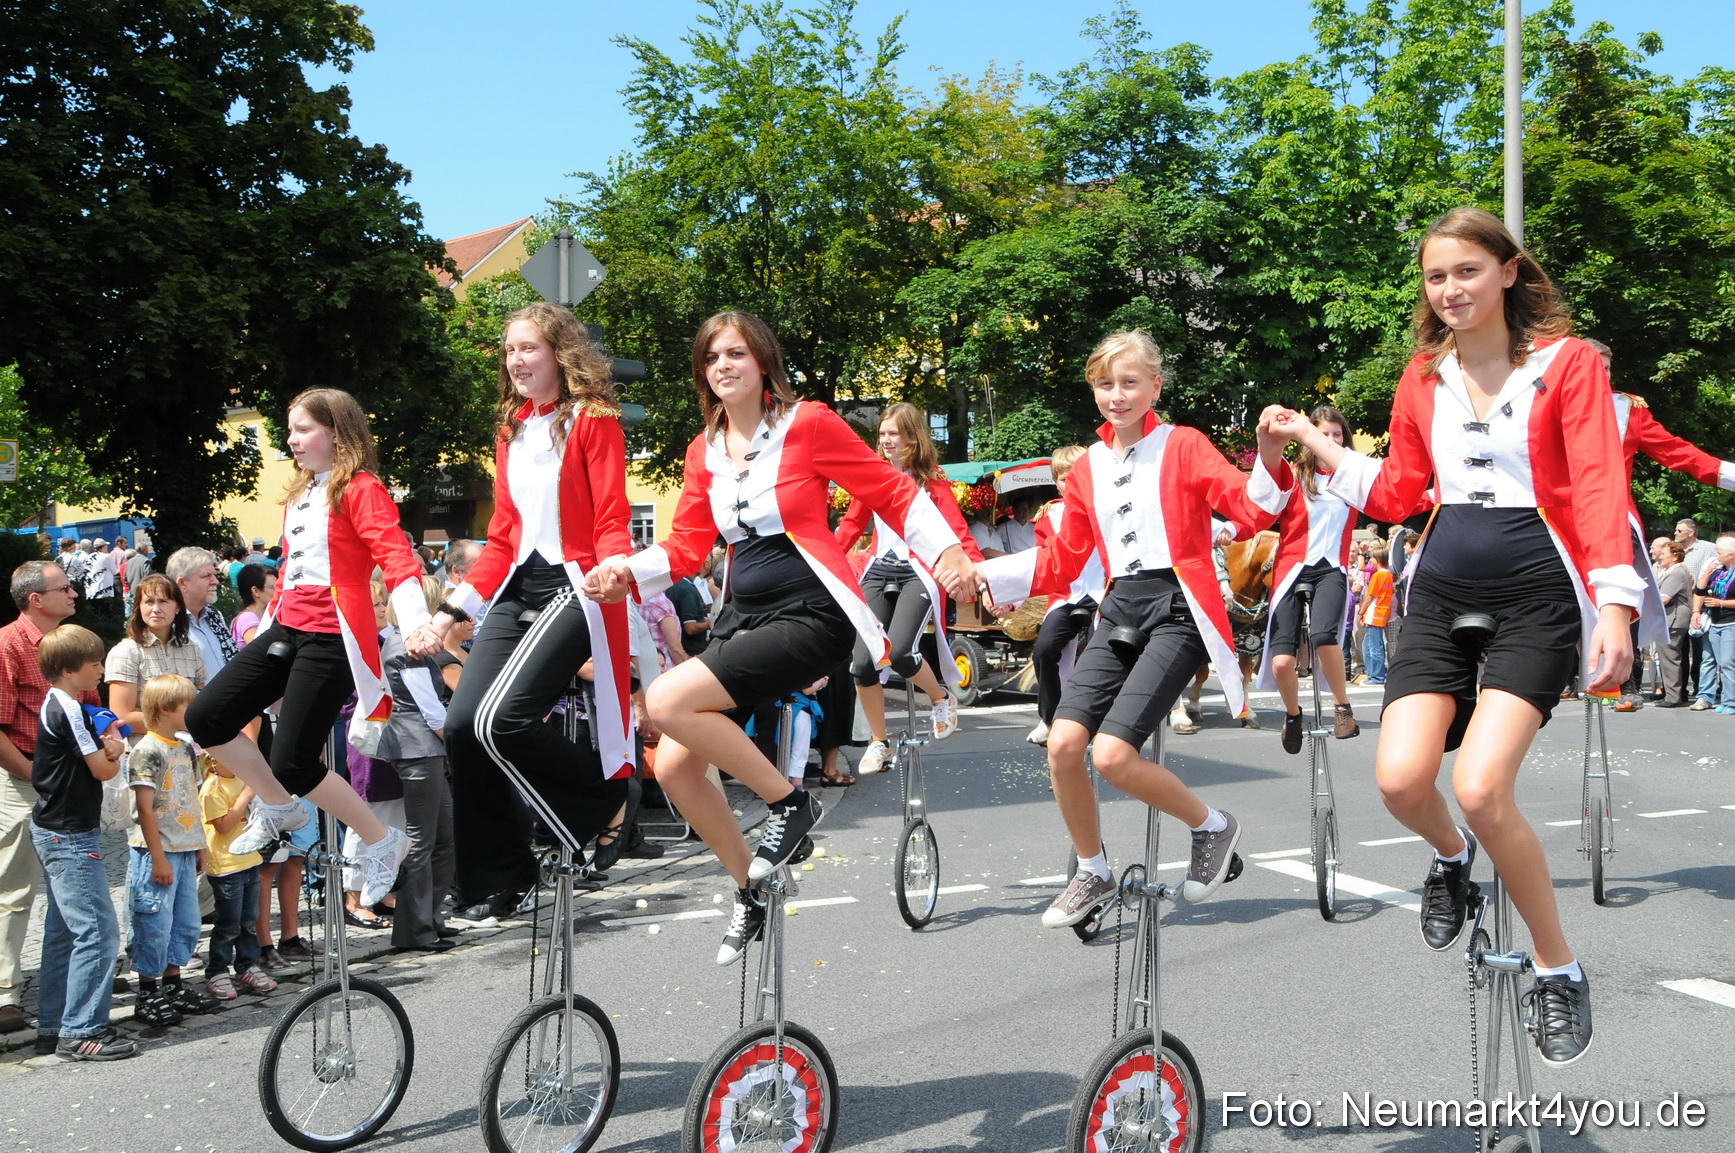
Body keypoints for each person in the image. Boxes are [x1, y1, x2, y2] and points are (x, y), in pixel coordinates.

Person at [1271, 206, 1639, 1067]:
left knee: (1477, 785)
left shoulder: (1566, 364)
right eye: (1435, 277)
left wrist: (1615, 605)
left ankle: (1559, 967)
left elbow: (1596, 483)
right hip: (1438, 593)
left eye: (1466, 271)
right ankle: (1449, 856)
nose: (1449, 290)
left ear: (1507, 272)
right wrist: (1311, 442)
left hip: (1536, 595)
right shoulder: (1421, 374)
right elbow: (1399, 492)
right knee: (1400, 780)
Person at [586, 310, 981, 966]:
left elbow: (892, 493)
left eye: (736, 353)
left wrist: (950, 552)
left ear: (764, 361)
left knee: (665, 701)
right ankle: (751, 887)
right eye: (712, 357)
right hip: (741, 615)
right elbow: (686, 546)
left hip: (811, 610)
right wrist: (628, 571)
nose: (723, 366)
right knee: (677, 767)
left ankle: (792, 804)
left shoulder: (809, 423)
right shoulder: (703, 449)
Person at [976, 329, 1294, 930]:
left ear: (1155, 386)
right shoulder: (1087, 466)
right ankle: (1092, 870)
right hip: (1120, 605)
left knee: (1112, 755)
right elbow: (1065, 557)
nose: (1116, 395)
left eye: (1129, 382)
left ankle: (1212, 826)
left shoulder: (1183, 444)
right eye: (1105, 384)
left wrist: (1268, 453)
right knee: (1063, 745)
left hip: (1178, 607)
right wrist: (987, 574)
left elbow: (1250, 509)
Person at [408, 302, 636, 924]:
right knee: (463, 726)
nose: (516, 360)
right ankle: (502, 873)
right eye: (510, 350)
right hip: (516, 584)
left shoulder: (594, 418)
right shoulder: (511, 428)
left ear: (560, 353)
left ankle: (606, 798)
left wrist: (616, 566)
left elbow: (612, 513)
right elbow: (503, 535)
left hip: (577, 583)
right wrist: (448, 614)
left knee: (502, 721)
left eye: (528, 348)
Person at [184, 388, 424, 910]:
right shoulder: (302, 491)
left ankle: (381, 841)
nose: (291, 440)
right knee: (206, 717)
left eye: (303, 429)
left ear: (336, 431)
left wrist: (418, 623)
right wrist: (266, 628)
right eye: (289, 430)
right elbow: (291, 571)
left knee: (294, 761)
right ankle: (278, 805)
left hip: (333, 638)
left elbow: (397, 558)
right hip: (287, 629)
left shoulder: (361, 489)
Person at [833, 402, 981, 774]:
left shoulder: (932, 481)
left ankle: (941, 698)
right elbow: (851, 526)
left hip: (918, 570)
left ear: (911, 437)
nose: (886, 440)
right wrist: (824, 561)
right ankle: (878, 741)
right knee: (862, 661)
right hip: (879, 568)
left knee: (899, 652)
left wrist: (980, 574)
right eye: (882, 434)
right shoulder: (873, 477)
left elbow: (958, 532)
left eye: (893, 433)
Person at [28, 624, 134, 1060]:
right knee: (98, 932)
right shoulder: (69, 709)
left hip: (54, 827)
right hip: (70, 834)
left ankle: (53, 1025)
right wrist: (116, 751)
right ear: (70, 670)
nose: (101, 671)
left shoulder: (57, 702)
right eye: (94, 664)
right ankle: (82, 1030)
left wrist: (106, 748)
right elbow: (103, 769)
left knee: (62, 933)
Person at [0, 561, 88, 1036]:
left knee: (70, 885)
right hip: (25, 781)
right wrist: (36, 776)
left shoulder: (68, 642)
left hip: (70, 782)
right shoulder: (7, 646)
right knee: (15, 889)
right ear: (35, 599)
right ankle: (4, 994)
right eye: (64, 588)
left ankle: (73, 976)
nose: (74, 593)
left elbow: (90, 707)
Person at [1258, 405, 1362, 753]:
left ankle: (1343, 707)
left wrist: (1433, 497)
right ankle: (1293, 714)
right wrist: (1230, 528)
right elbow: (1261, 507)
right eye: (1323, 434)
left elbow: (1393, 497)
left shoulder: (1354, 475)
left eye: (1337, 434)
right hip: (1292, 567)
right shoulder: (1294, 475)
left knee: (1322, 636)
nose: (1330, 440)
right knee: (1282, 662)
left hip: (1331, 568)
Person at [124, 674, 222, 1025]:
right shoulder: (147, 750)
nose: (194, 711)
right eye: (188, 705)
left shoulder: (184, 748)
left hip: (185, 848)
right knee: (154, 921)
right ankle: (147, 991)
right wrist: (158, 857)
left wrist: (199, 846)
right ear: (166, 708)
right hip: (157, 851)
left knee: (184, 921)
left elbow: (190, 799)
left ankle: (174, 983)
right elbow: (144, 808)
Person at [379, 576, 457, 952]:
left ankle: (429, 918)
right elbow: (431, 711)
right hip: (418, 749)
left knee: (442, 839)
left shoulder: (402, 641)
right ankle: (415, 929)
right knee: (424, 843)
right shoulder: (405, 646)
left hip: (424, 749)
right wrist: (460, 745)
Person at [1026, 446, 1106, 746]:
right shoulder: (1048, 516)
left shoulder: (1107, 506)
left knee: (1104, 654)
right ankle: (1050, 718)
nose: (1070, 483)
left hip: (1103, 591)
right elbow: (1040, 559)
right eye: (1062, 478)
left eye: (1076, 476)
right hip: (1065, 595)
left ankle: (1099, 717)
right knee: (1044, 650)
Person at [199, 742, 271, 999]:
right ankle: (217, 970)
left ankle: (246, 965)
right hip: (226, 866)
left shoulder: (239, 780)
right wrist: (244, 798)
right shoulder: (212, 788)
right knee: (228, 924)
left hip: (249, 860)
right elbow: (224, 826)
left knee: (248, 920)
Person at [104, 574, 207, 736]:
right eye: (149, 602)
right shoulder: (126, 651)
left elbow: (200, 702)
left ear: (178, 607)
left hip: (188, 746)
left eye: (163, 601)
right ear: (139, 607)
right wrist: (174, 723)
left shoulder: (191, 649)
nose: (156, 609)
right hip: (144, 746)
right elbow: (122, 716)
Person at [169, 547, 236, 684]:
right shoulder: (168, 622)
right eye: (206, 576)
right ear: (182, 583)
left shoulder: (214, 616)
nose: (215, 581)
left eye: (214, 575)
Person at [1676, 518, 1719, 704]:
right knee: (1681, 650)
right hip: (1681, 607)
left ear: (1691, 532)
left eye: (1679, 531)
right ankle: (1681, 690)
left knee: (1701, 650)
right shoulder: (1675, 550)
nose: (1675, 533)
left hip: (1701, 605)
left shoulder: (1708, 549)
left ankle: (1700, 687)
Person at [1690, 536, 1735, 714]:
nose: (1716, 556)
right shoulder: (1718, 572)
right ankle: (1707, 697)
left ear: (1730, 555)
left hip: (1731, 623)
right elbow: (1699, 590)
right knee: (1710, 660)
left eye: (1719, 553)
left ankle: (1730, 702)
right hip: (1714, 622)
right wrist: (1708, 570)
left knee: (1728, 663)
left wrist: (1720, 603)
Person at [1651, 538, 1693, 707]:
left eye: (1664, 554)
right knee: (1669, 658)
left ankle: (1673, 697)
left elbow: (1664, 598)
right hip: (1671, 619)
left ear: (1675, 556)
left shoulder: (1676, 573)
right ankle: (1673, 694)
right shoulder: (1671, 571)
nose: (1660, 557)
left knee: (1670, 658)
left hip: (1673, 620)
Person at [1361, 547, 1394, 686]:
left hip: (1375, 613)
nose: (1370, 561)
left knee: (1373, 647)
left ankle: (1376, 677)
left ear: (1378, 559)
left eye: (1372, 558)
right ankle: (1373, 675)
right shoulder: (1388, 575)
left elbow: (1370, 596)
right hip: (1380, 612)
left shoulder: (1378, 575)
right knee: (1369, 646)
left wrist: (1361, 611)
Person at [230, 563, 278, 648]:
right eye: (274, 587)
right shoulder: (247, 618)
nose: (279, 591)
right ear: (255, 591)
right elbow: (261, 649)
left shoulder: (264, 616)